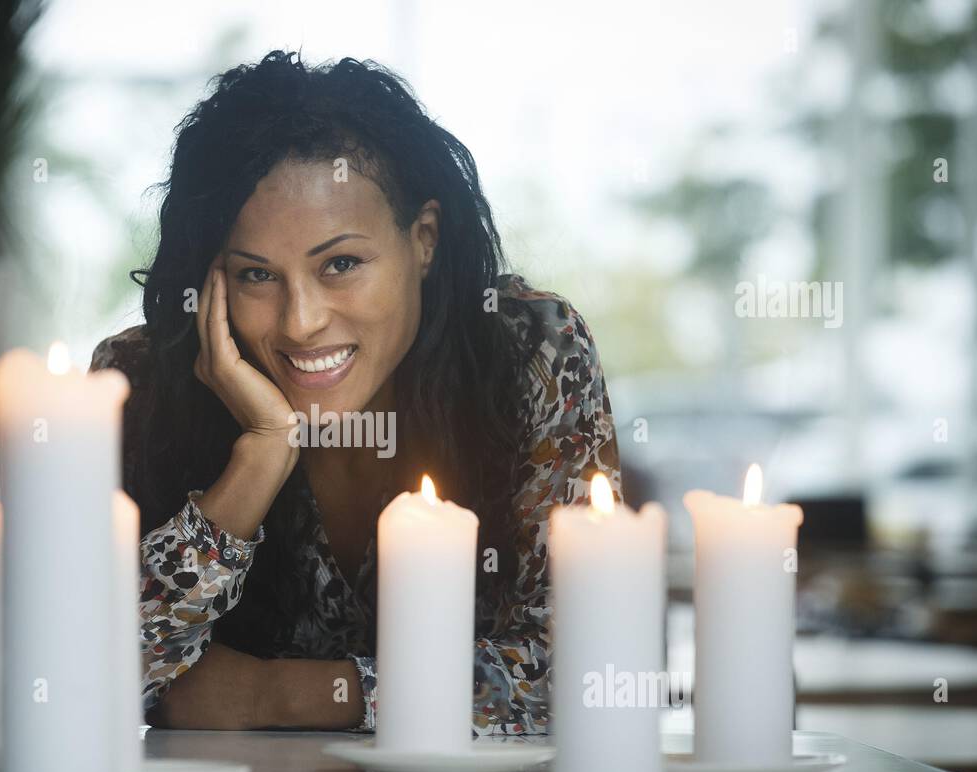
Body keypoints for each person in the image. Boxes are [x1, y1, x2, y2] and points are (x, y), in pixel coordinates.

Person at [91, 49, 622, 736]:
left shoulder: (530, 355)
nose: (301, 321)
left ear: (423, 241)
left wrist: (276, 695)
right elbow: (80, 671)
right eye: (256, 276)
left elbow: (584, 671)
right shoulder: (142, 385)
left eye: (341, 263)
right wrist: (257, 459)